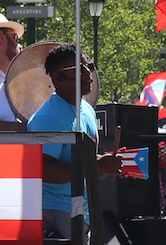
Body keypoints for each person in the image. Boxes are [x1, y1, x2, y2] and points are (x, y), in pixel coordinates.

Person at [27, 45, 121, 233]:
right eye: (79, 69)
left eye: (89, 67)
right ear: (58, 78)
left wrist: (107, 160)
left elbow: (79, 156)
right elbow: (42, 170)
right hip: (53, 212)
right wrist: (97, 166)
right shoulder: (48, 118)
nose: (88, 74)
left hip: (81, 208)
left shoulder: (86, 109)